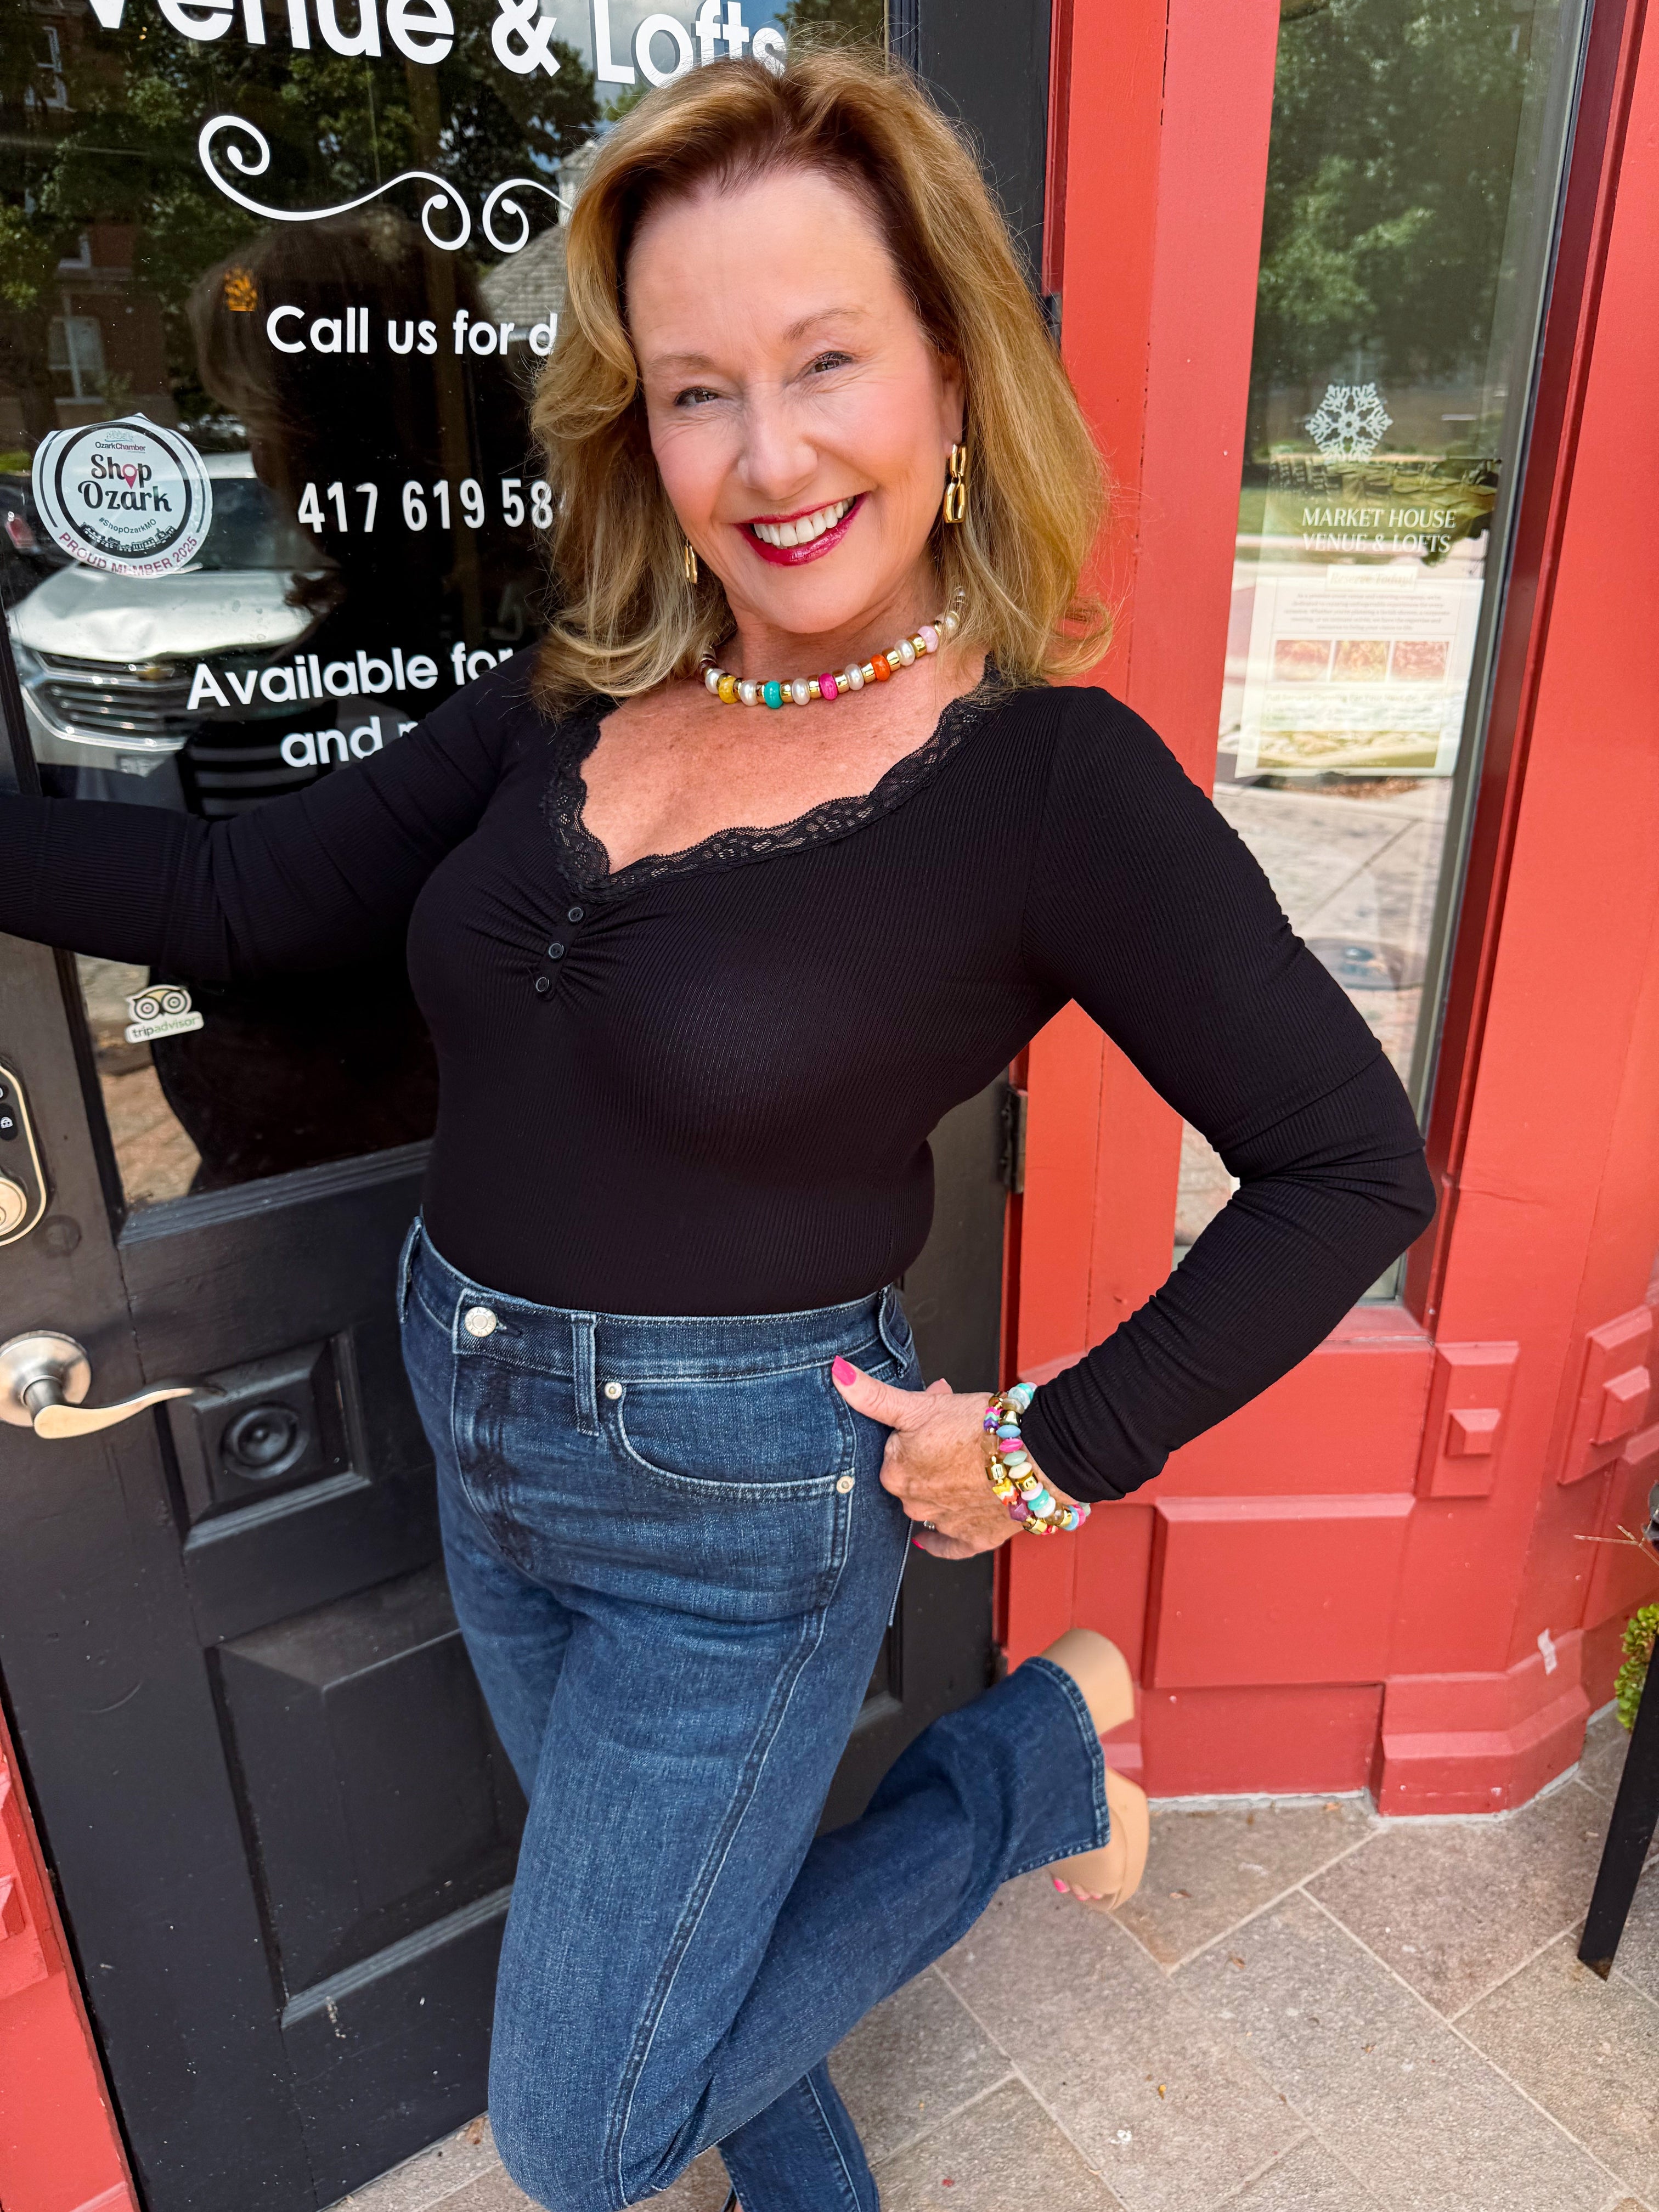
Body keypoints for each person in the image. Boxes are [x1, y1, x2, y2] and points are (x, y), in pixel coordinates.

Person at [0, 50, 1436, 2212]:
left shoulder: (1052, 788)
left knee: (588, 2126)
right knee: (693, 1962)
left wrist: (1054, 1446)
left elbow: (1351, 1167)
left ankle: (1029, 1767)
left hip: (740, 1510)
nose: (767, 458)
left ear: (952, 374)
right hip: (471, 1405)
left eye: (826, 361)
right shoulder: (570, 697)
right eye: (697, 392)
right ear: (640, 427)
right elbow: (228, 900)